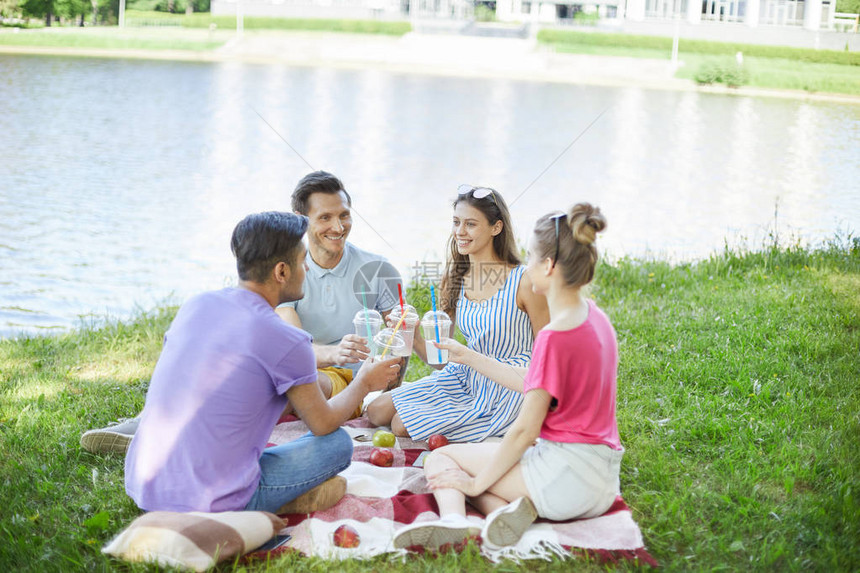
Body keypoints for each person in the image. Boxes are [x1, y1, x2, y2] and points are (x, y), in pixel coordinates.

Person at [80, 171, 401, 453]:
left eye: (344, 215)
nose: (338, 226)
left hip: (340, 376)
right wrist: (334, 352)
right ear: (303, 221)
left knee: (296, 381)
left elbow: (401, 335)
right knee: (269, 375)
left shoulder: (376, 269)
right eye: (326, 218)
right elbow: (292, 340)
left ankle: (168, 425)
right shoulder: (289, 272)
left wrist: (386, 380)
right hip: (305, 364)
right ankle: (150, 421)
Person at [124, 212, 400, 514]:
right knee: (337, 444)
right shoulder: (285, 338)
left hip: (143, 482)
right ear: (282, 271)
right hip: (209, 500)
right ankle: (278, 502)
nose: (307, 267)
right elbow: (322, 425)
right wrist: (364, 383)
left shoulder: (197, 304)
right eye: (302, 260)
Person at [392, 203, 624, 550]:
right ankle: (506, 512)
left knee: (444, 458)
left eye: (531, 257)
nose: (525, 266)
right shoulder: (595, 319)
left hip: (562, 486)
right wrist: (466, 355)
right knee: (488, 453)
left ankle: (455, 520)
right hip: (603, 483)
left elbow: (523, 432)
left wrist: (472, 484)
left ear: (548, 266)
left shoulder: (553, 338)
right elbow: (533, 381)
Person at [366, 185, 549, 441]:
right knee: (375, 411)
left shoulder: (524, 281)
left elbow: (550, 353)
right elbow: (440, 358)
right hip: (466, 375)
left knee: (401, 426)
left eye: (471, 224)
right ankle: (452, 411)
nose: (459, 232)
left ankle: (486, 421)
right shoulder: (455, 278)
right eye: (456, 222)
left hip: (511, 383)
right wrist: (414, 330)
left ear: (496, 228)